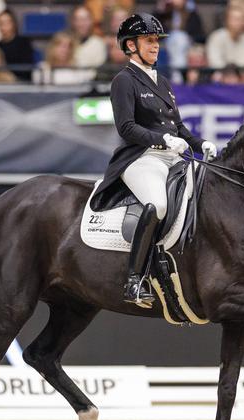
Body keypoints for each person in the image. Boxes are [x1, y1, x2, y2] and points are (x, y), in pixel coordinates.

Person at [88, 13, 216, 308]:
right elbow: (126, 127)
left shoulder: (164, 81)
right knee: (157, 204)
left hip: (173, 157)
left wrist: (202, 144)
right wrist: (161, 140)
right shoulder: (124, 80)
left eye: (156, 40)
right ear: (130, 45)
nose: (155, 46)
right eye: (149, 40)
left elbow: (179, 128)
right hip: (141, 158)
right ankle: (135, 280)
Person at [205, 6, 244, 70]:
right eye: (236, 19)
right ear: (227, 20)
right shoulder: (216, 37)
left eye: (241, 19)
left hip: (242, 77)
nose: (239, 23)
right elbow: (214, 64)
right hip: (221, 77)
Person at [0, 10, 34, 81]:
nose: (4, 27)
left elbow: (27, 68)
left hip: (21, 82)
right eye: (1, 23)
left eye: (7, 23)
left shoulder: (24, 43)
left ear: (14, 23)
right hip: (1, 82)